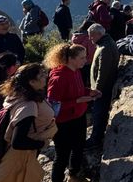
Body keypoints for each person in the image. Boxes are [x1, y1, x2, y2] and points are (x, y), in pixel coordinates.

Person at [0, 63, 57, 182]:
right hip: (18, 158)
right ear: (31, 82)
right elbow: (18, 141)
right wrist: (41, 144)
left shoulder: (19, 95)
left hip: (16, 155)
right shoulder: (28, 105)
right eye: (42, 75)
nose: (46, 76)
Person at [45, 44, 101, 182]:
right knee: (62, 155)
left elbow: (79, 90)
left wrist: (89, 92)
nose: (85, 60)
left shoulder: (76, 70)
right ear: (70, 59)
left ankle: (73, 176)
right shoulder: (58, 78)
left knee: (78, 146)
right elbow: (52, 105)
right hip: (63, 122)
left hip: (78, 116)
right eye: (81, 58)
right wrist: (77, 100)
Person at [86, 23, 120, 148]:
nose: (90, 39)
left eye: (91, 36)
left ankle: (96, 139)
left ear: (99, 34)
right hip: (103, 87)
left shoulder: (105, 47)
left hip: (102, 88)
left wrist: (97, 90)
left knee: (99, 113)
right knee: (99, 112)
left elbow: (103, 71)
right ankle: (97, 136)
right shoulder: (105, 43)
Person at [71, 19, 96, 87]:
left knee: (80, 80)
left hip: (76, 62)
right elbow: (91, 53)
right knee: (88, 81)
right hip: (87, 63)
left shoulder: (75, 36)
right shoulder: (88, 38)